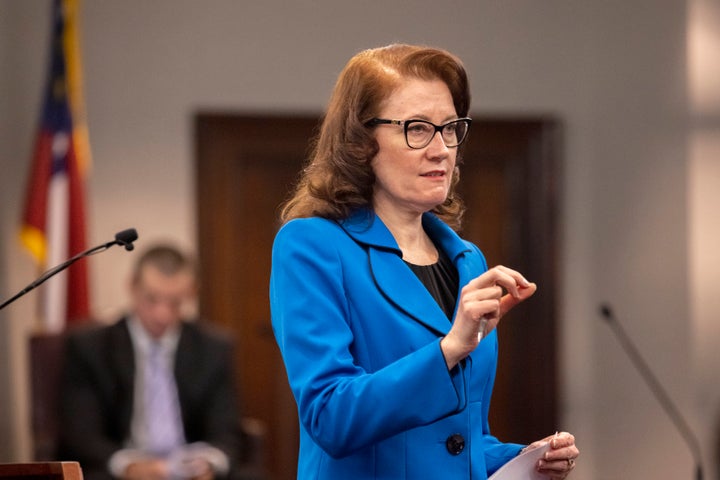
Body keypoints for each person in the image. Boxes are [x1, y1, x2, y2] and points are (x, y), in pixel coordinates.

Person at [269, 43, 579, 479]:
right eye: (417, 128)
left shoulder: (468, 261)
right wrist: (449, 349)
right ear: (361, 142)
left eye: (450, 128)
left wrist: (523, 459)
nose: (441, 149)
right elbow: (330, 416)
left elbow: (457, 440)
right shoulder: (311, 245)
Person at [57, 244, 243, 480]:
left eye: (175, 302)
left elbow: (226, 429)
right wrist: (128, 466)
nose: (162, 315)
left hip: (189, 469)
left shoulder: (213, 348)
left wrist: (208, 463)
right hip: (122, 469)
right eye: (152, 299)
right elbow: (81, 434)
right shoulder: (91, 347)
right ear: (132, 286)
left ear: (192, 293)